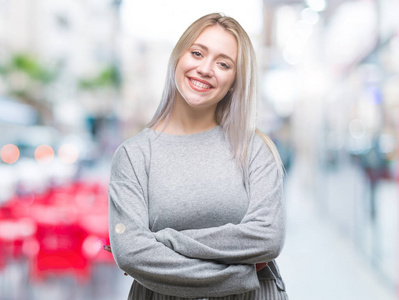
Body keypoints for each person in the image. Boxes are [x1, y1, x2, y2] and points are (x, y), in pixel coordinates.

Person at [106, 12, 288, 300]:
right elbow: (131, 252)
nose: (205, 69)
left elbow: (267, 237)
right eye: (197, 53)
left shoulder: (255, 149)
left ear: (234, 82)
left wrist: (164, 241)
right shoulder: (134, 155)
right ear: (178, 58)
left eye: (224, 63)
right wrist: (240, 274)